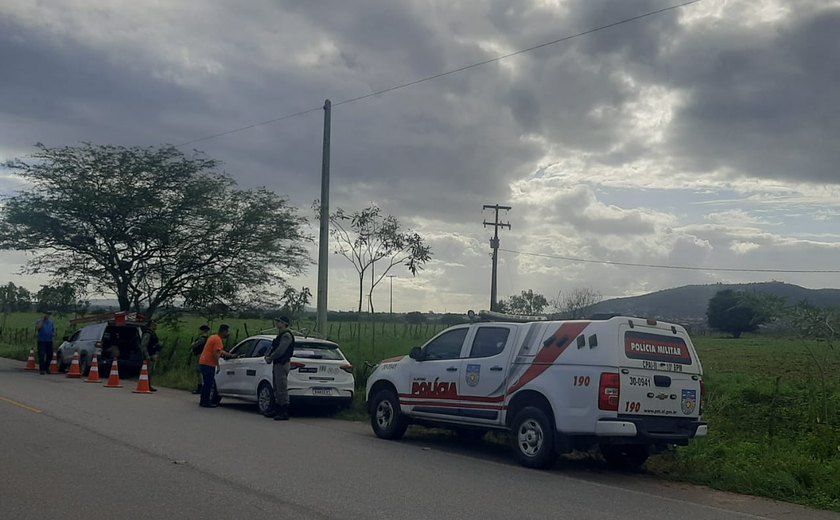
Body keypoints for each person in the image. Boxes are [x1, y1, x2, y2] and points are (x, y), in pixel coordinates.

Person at [264, 316, 295, 420]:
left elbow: (281, 350)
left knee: (281, 388)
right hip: (278, 364)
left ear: (284, 323)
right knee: (276, 387)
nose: (277, 323)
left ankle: (283, 411)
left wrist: (271, 357)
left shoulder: (286, 335)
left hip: (282, 364)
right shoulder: (281, 335)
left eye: (279, 322)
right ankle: (277, 409)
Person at [198, 324, 236, 408]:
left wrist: (229, 355)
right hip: (209, 363)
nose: (228, 334)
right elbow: (216, 353)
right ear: (224, 331)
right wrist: (218, 365)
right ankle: (206, 402)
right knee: (208, 383)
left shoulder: (213, 337)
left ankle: (203, 400)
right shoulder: (218, 340)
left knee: (206, 383)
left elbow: (220, 351)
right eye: (227, 332)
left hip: (203, 362)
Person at [140, 321, 162, 391]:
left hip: (152, 354)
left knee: (150, 371)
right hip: (149, 355)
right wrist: (147, 356)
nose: (156, 326)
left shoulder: (152, 333)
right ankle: (146, 385)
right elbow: (143, 345)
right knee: (148, 371)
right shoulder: (148, 333)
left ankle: (148, 385)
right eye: (154, 325)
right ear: (151, 325)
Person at [190, 324, 211, 394]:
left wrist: (193, 344)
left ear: (203, 330)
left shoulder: (202, 338)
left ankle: (200, 387)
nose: (200, 331)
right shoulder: (207, 338)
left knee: (199, 371)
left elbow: (195, 345)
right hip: (202, 355)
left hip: (200, 355)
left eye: (201, 330)